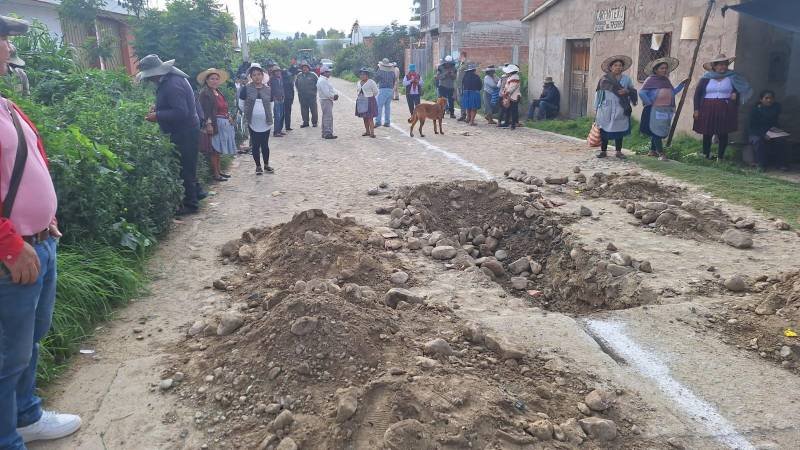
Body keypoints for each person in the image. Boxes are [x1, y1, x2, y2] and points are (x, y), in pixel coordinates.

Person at [0, 16, 83, 450]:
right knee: (6, 353)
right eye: (2, 40)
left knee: (29, 338)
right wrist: (11, 244)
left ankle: (26, 416)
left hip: (39, 242)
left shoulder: (5, 105)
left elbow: (31, 162)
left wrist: (43, 220)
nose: (8, 48)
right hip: (12, 254)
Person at [139, 54, 202, 215]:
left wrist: (158, 116)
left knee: (185, 166)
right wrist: (158, 108)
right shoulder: (171, 79)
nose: (150, 80)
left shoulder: (172, 84)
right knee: (189, 163)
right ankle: (198, 193)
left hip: (184, 131)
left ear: (155, 73)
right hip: (187, 129)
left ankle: (191, 203)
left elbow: (181, 112)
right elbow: (175, 105)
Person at [693, 54, 752, 161]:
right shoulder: (706, 78)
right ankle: (706, 155)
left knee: (723, 132)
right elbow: (697, 94)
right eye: (720, 65)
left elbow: (741, 90)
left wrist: (736, 95)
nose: (722, 67)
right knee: (707, 132)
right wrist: (696, 110)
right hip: (707, 107)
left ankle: (720, 157)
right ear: (714, 66)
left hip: (725, 108)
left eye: (724, 65)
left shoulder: (732, 77)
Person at [639, 57, 687, 161]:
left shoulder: (666, 80)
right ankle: (661, 154)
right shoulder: (650, 80)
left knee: (658, 130)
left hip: (665, 110)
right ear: (656, 70)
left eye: (665, 68)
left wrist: (682, 85)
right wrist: (649, 103)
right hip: (654, 110)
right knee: (657, 131)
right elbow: (642, 93)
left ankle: (652, 151)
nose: (664, 70)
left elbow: (672, 93)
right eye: (662, 68)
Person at [594, 55, 637, 159]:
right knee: (604, 129)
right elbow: (599, 94)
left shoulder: (626, 79)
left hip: (621, 108)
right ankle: (603, 151)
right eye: (615, 65)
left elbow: (632, 90)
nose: (618, 67)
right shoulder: (604, 79)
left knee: (619, 129)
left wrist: (627, 91)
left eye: (620, 65)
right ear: (611, 67)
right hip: (605, 108)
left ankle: (618, 151)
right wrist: (596, 107)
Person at [197, 68, 235, 182]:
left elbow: (224, 107)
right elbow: (204, 110)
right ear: (207, 80)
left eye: (216, 79)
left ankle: (219, 171)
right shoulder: (205, 93)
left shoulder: (218, 92)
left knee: (218, 150)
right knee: (214, 150)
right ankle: (216, 174)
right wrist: (208, 124)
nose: (214, 81)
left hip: (222, 123)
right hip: (213, 124)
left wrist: (229, 116)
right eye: (212, 79)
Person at [239, 63, 274, 175]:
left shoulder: (268, 89)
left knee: (265, 144)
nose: (257, 77)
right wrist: (249, 113)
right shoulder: (246, 89)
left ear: (262, 75)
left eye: (259, 74)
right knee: (255, 144)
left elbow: (271, 104)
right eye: (254, 75)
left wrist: (266, 114)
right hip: (253, 122)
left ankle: (267, 164)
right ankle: (258, 166)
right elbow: (241, 103)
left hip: (265, 121)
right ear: (251, 76)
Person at [748, 90, 785, 169]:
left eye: (771, 98)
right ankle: (761, 165)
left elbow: (775, 122)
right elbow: (752, 126)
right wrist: (763, 134)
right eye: (766, 98)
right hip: (756, 132)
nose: (769, 100)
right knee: (758, 141)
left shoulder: (776, 107)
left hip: (772, 130)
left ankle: (781, 164)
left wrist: (771, 133)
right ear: (761, 100)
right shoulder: (755, 110)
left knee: (781, 139)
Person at [317, 65, 339, 139]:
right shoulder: (322, 81)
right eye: (328, 72)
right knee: (328, 117)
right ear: (324, 72)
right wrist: (334, 96)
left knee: (325, 116)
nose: (329, 73)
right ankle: (327, 133)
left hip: (325, 100)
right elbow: (326, 93)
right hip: (326, 100)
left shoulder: (323, 80)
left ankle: (325, 132)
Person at [356, 67, 379, 138]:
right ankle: (367, 131)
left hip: (370, 100)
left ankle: (372, 133)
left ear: (367, 75)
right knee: (364, 117)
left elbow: (376, 91)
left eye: (364, 74)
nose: (362, 76)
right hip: (361, 101)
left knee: (370, 117)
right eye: (361, 74)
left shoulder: (371, 82)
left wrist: (370, 96)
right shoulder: (358, 82)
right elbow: (358, 91)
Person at [295, 61, 319, 128]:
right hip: (302, 96)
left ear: (308, 68)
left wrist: (314, 92)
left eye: (306, 67)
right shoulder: (299, 75)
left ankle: (314, 122)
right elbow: (296, 84)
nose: (304, 69)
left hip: (312, 96)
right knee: (303, 109)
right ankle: (305, 122)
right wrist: (299, 91)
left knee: (313, 109)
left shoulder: (313, 75)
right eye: (303, 67)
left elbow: (318, 84)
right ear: (301, 68)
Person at [499, 64, 522, 130]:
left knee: (513, 111)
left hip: (514, 96)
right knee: (508, 110)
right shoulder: (511, 77)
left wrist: (506, 93)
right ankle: (507, 123)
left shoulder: (515, 77)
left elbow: (512, 87)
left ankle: (513, 125)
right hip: (510, 96)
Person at [375, 58, 396, 128]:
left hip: (383, 89)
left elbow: (376, 78)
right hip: (390, 89)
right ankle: (387, 122)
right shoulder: (392, 71)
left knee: (379, 106)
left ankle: (378, 121)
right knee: (387, 107)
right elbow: (394, 80)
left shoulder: (380, 70)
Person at [268, 65, 286, 137]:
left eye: (279, 71)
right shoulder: (271, 80)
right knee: (277, 116)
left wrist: (283, 95)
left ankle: (279, 130)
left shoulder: (281, 79)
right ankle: (276, 132)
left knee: (281, 115)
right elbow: (270, 90)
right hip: (275, 100)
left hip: (281, 99)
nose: (278, 72)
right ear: (274, 72)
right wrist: (273, 97)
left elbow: (282, 88)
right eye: (276, 71)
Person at [282, 65, 297, 131]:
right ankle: (287, 126)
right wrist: (292, 99)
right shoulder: (289, 80)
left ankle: (281, 127)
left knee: (281, 113)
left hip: (282, 98)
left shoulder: (280, 80)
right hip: (288, 98)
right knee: (288, 113)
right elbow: (292, 91)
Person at [455, 51, 468, 122]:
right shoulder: (460, 64)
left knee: (463, 100)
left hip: (463, 85)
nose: (459, 57)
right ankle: (463, 114)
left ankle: (465, 115)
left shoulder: (466, 64)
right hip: (459, 85)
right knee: (460, 100)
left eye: (460, 56)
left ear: (463, 56)